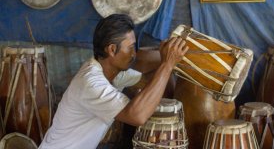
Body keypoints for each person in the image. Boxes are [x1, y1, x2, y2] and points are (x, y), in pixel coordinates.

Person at [39, 14, 188, 149]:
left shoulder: (113, 73)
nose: (134, 54)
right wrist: (167, 65)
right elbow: (137, 116)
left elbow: (148, 81)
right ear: (111, 50)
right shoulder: (91, 82)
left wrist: (168, 62)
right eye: (130, 48)